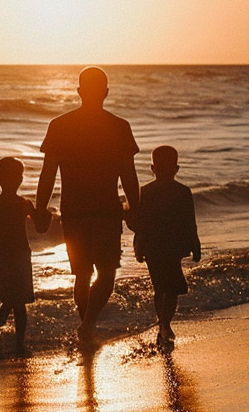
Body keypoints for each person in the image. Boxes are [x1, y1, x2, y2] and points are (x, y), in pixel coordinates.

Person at [35, 66, 139, 344]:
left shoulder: (60, 126)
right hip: (106, 209)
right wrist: (135, 209)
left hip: (74, 210)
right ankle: (88, 324)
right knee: (106, 272)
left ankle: (86, 325)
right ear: (106, 92)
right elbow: (129, 174)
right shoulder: (119, 126)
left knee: (82, 275)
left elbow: (47, 174)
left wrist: (40, 209)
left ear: (79, 91)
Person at [134, 145, 201, 350]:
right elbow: (190, 222)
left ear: (152, 168)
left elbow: (139, 224)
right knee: (170, 289)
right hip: (172, 246)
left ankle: (163, 323)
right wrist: (195, 244)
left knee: (160, 288)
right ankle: (165, 323)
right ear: (177, 168)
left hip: (153, 246)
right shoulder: (182, 191)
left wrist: (138, 245)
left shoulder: (145, 192)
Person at [0, 156, 38, 354]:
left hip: (20, 258)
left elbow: (40, 226)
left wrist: (43, 214)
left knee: (17, 303)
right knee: (13, 302)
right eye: (14, 176)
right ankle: (1, 340)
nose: (17, 180)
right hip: (3, 259)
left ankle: (12, 343)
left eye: (19, 176)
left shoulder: (24, 204)